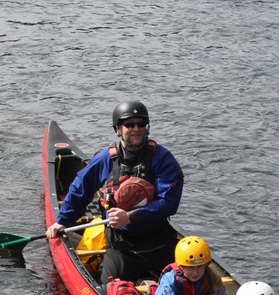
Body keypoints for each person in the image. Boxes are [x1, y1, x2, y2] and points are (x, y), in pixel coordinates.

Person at [46, 101, 184, 283]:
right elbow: (80, 190)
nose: (136, 129)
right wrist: (62, 221)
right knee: (108, 287)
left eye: (140, 124)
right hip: (121, 246)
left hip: (159, 243)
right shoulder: (105, 159)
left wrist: (130, 217)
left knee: (187, 281)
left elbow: (169, 203)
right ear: (118, 129)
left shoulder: (162, 158)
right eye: (129, 124)